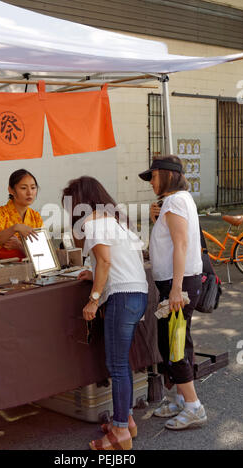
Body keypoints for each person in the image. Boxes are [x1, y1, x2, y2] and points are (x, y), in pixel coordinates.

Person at [62, 176, 148, 451]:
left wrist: (93, 299)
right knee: (123, 364)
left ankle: (121, 432)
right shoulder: (115, 219)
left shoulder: (94, 222)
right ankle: (126, 421)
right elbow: (112, 260)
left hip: (121, 297)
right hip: (137, 294)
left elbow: (107, 261)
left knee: (118, 366)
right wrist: (94, 274)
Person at [139, 155, 207, 430]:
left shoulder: (176, 201)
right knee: (178, 342)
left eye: (153, 176)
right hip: (177, 282)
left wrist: (177, 289)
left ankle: (193, 407)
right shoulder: (177, 200)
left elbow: (180, 245)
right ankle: (181, 399)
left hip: (178, 284)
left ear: (166, 175)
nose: (151, 182)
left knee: (173, 345)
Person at [0, 169, 42, 260]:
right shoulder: (0, 213)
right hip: (1, 268)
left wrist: (20, 246)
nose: (29, 193)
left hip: (29, 268)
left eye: (33, 188)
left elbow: (42, 251)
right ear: (11, 190)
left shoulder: (36, 217)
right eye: (23, 188)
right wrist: (15, 228)